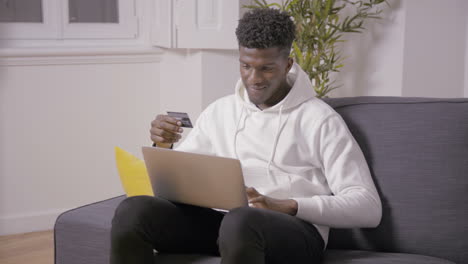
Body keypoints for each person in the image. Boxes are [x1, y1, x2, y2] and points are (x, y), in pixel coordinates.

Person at [110, 8, 382, 264]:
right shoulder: (221, 110)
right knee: (133, 212)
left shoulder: (319, 119)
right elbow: (176, 183)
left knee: (241, 221)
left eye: (266, 68)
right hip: (225, 225)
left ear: (287, 64)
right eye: (246, 66)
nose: (254, 78)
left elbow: (368, 207)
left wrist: (287, 205)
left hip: (295, 232)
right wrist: (164, 145)